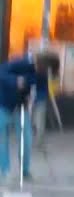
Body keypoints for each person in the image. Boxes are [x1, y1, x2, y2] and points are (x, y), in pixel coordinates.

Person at [0, 53, 57, 181]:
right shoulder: (22, 62)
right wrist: (15, 80)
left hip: (20, 106)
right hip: (3, 103)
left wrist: (37, 99)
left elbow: (42, 89)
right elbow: (1, 72)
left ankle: (24, 171)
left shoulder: (42, 73)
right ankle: (5, 170)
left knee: (26, 139)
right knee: (2, 139)